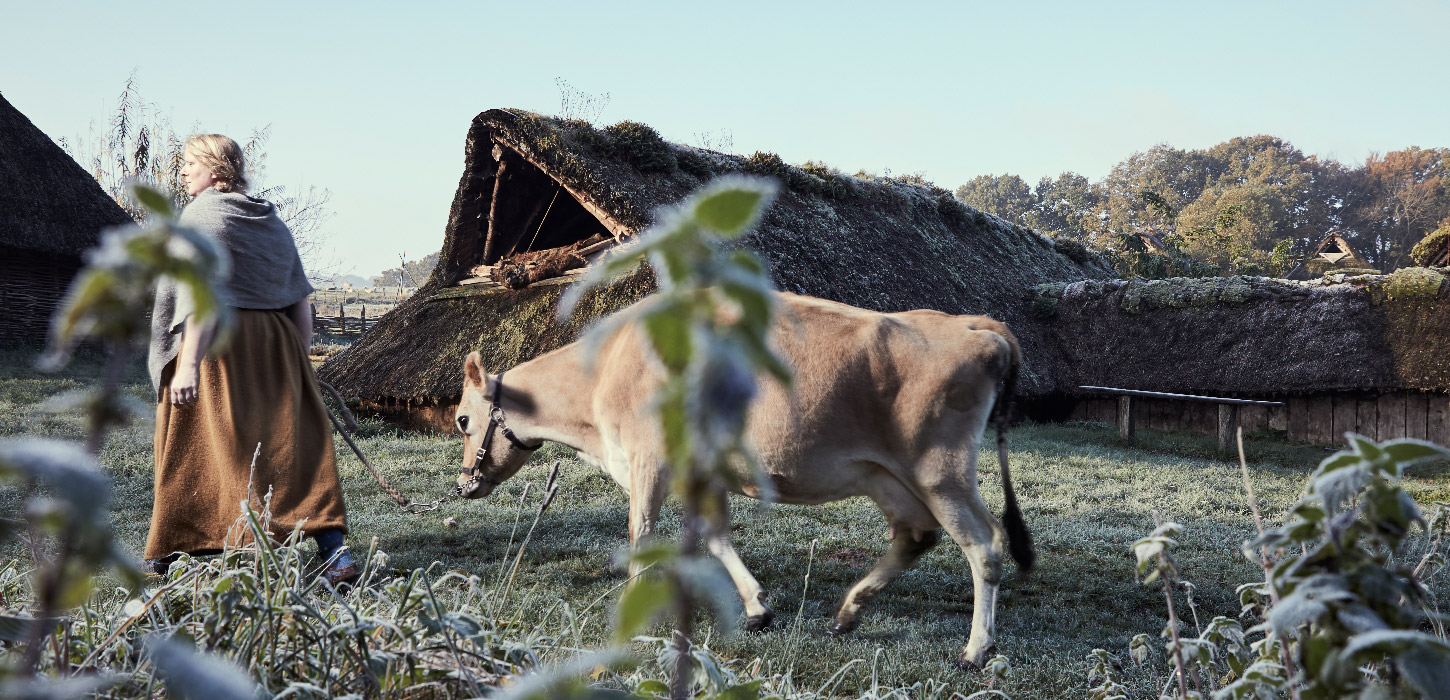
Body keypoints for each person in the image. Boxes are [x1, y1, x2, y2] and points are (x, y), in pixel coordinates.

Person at [145, 134, 356, 586]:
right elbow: (300, 301)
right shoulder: (271, 222)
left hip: (218, 345)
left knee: (190, 444)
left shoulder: (201, 218)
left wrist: (185, 365)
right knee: (293, 443)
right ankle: (336, 553)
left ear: (217, 171)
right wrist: (298, 361)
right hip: (278, 343)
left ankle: (161, 557)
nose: (182, 171)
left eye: (190, 163)